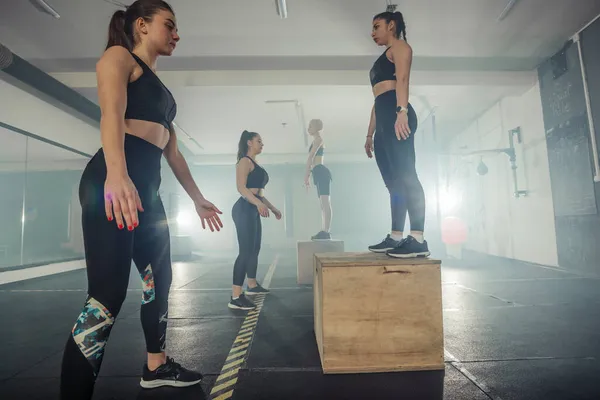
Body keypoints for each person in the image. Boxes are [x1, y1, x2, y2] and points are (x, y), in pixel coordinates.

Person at [59, 1, 223, 398]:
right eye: (170, 25)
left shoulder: (162, 91)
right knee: (106, 296)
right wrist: (117, 174)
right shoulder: (119, 57)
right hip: (114, 183)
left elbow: (173, 152)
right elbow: (111, 114)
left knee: (159, 280)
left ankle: (156, 364)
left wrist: (199, 199)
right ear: (142, 25)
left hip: (147, 192)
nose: (176, 34)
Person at [365, 10, 430, 258]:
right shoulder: (383, 56)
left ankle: (418, 238)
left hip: (397, 115)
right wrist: (369, 134)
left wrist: (401, 112)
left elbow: (402, 79)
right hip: (383, 120)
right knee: (393, 184)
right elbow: (377, 99)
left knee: (407, 176)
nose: (372, 32)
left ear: (391, 25)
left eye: (377, 26)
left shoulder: (400, 46)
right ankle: (395, 237)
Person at [230, 130, 282, 310]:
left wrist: (272, 208)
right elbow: (241, 188)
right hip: (244, 208)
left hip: (252, 207)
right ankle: (236, 296)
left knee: (255, 249)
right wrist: (258, 205)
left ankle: (251, 285)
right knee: (245, 251)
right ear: (249, 143)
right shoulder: (244, 161)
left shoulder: (255, 164)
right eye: (259, 141)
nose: (262, 143)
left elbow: (259, 193)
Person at [303, 119, 333, 240]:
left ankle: (326, 231)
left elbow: (311, 157)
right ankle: (324, 230)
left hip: (321, 171)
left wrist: (306, 175)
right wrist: (309, 174)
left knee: (325, 202)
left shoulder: (319, 140)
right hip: (317, 172)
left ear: (316, 127)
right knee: (322, 203)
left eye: (310, 126)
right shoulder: (316, 140)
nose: (308, 129)